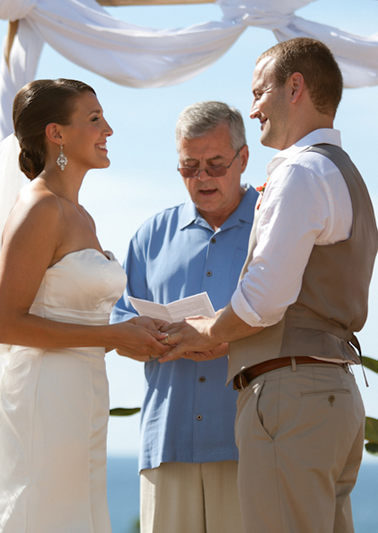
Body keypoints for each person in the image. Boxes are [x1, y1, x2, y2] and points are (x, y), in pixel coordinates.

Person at [0, 79, 168, 533]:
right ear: (56, 133)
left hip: (84, 393)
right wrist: (112, 335)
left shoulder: (80, 214)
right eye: (95, 119)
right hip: (44, 396)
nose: (109, 130)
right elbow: (6, 324)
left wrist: (130, 334)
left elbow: (72, 311)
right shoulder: (40, 209)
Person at [162, 38, 378, 533]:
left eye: (260, 91)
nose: (254, 106)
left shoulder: (299, 172)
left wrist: (209, 333)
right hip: (333, 395)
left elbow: (265, 298)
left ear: (295, 87)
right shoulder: (344, 175)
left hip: (290, 396)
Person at [111, 101, 255, 533]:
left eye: (215, 164)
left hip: (248, 443)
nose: (203, 177)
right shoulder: (150, 235)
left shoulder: (273, 227)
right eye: (189, 167)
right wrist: (144, 337)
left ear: (243, 158)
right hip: (167, 444)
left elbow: (297, 321)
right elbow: (119, 325)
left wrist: (223, 340)